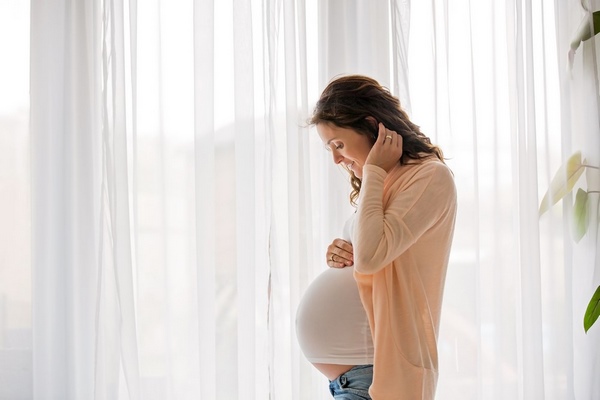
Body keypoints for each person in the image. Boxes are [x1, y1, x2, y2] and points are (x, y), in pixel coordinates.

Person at [297, 74, 457, 400]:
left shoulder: (428, 176)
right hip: (354, 380)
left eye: (338, 145)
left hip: (374, 375)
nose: (336, 160)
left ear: (372, 126)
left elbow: (371, 258)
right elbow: (366, 254)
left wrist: (373, 170)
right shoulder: (383, 181)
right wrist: (338, 254)